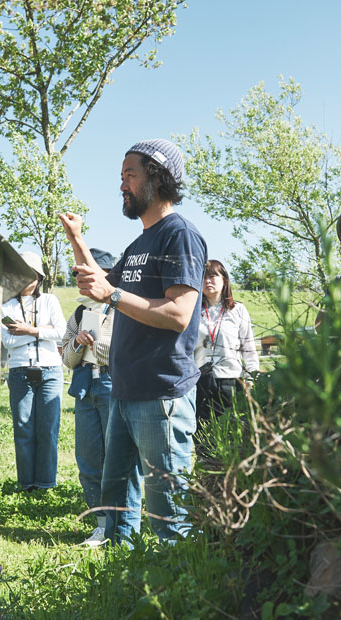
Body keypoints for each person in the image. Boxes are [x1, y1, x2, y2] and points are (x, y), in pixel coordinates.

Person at [60, 138, 207, 544]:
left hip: (160, 395)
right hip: (124, 393)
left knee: (169, 519)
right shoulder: (139, 243)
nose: (122, 185)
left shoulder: (179, 235)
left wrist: (114, 296)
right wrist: (76, 237)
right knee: (119, 512)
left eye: (130, 175)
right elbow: (103, 285)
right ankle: (124, 590)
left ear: (157, 179)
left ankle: (176, 601)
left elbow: (179, 315)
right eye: (121, 176)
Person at [59, 247, 128, 547]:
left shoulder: (123, 309)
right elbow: (66, 356)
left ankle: (121, 525)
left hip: (114, 385)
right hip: (84, 387)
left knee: (117, 458)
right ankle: (101, 525)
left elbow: (119, 353)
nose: (81, 281)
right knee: (87, 459)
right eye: (78, 276)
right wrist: (77, 341)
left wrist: (94, 341)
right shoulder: (79, 312)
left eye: (86, 274)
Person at [1, 252, 65, 492]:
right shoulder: (6, 305)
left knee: (48, 429)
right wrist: (42, 330)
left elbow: (61, 332)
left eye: (33, 275)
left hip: (50, 369)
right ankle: (26, 483)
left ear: (39, 277)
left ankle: (46, 483)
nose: (28, 280)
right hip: (19, 371)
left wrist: (28, 330)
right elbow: (7, 341)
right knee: (23, 428)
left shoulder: (50, 301)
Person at [192, 259, 260, 449]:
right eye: (203, 277)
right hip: (201, 382)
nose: (208, 281)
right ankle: (206, 476)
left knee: (233, 437)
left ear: (224, 280)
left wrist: (252, 377)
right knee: (203, 439)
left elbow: (249, 348)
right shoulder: (193, 311)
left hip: (231, 381)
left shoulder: (238, 310)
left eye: (213, 275)